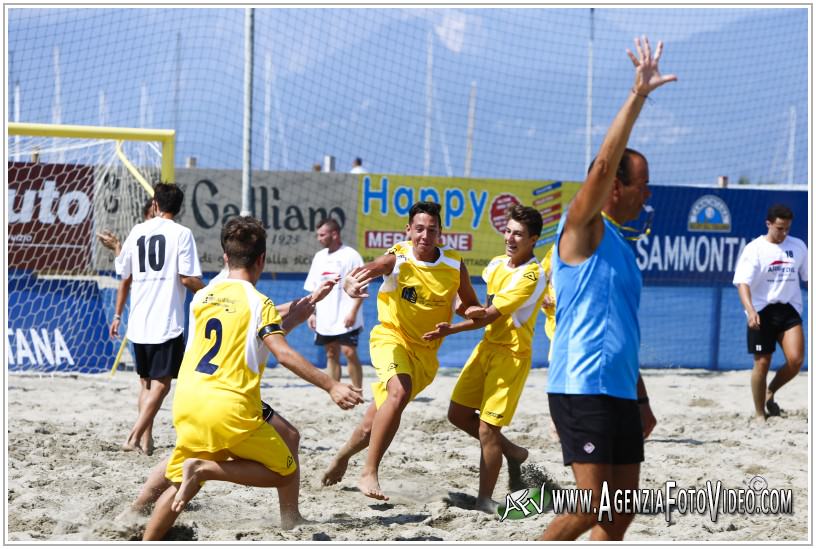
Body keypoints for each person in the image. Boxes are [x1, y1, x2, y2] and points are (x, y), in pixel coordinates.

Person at [141, 216, 364, 540]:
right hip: (230, 406)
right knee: (284, 469)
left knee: (180, 485)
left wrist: (303, 307)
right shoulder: (259, 303)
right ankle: (206, 471)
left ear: (225, 257)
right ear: (262, 259)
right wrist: (331, 385)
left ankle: (148, 538)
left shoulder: (204, 296)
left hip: (188, 402)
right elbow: (282, 352)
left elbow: (246, 327)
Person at [540, 36, 675, 541]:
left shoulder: (621, 245)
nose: (648, 192)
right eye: (642, 183)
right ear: (615, 187)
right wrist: (637, 97)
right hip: (581, 387)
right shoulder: (583, 230)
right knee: (589, 506)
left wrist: (640, 398)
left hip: (618, 391)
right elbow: (601, 163)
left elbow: (621, 332)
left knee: (617, 517)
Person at [121, 276, 338, 521]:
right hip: (228, 389)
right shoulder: (237, 290)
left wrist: (303, 305)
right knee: (196, 456)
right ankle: (290, 516)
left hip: (200, 389)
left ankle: (291, 515)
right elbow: (260, 328)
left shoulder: (216, 291)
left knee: (288, 435)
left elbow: (252, 332)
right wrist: (330, 384)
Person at [321, 201, 485, 501]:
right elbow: (371, 268)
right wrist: (350, 282)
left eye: (431, 230)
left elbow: (466, 304)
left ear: (440, 233)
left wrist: (478, 311)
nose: (424, 235)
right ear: (408, 230)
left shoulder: (453, 264)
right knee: (398, 393)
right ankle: (369, 471)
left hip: (425, 354)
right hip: (391, 338)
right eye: (419, 229)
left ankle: (343, 456)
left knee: (375, 422)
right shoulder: (398, 257)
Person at [422, 205, 546, 513]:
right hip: (487, 348)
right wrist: (456, 297)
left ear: (533, 240)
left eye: (518, 233)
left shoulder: (532, 275)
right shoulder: (495, 265)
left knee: (488, 430)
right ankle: (513, 451)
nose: (510, 237)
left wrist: (451, 326)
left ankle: (485, 500)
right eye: (508, 230)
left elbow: (489, 314)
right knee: (458, 414)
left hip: (512, 357)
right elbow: (481, 312)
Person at [112, 184, 204, 456]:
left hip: (139, 320)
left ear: (155, 204)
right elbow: (187, 278)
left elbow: (122, 270)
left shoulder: (138, 230)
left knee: (146, 384)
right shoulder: (182, 234)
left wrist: (117, 247)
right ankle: (133, 436)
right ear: (179, 207)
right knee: (162, 385)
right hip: (166, 321)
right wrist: (212, 290)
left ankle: (146, 441)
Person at [733, 204, 807, 421]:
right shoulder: (754, 249)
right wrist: (750, 310)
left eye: (787, 229)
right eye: (779, 228)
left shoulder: (799, 247)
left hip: (788, 310)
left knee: (796, 360)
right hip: (761, 311)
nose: (784, 233)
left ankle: (770, 391)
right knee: (762, 362)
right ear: (768, 224)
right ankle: (759, 414)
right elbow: (742, 283)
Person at [304, 218, 365, 389]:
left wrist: (353, 312)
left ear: (335, 234)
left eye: (322, 235)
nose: (319, 238)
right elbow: (313, 289)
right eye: (318, 235)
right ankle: (335, 390)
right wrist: (312, 313)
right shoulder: (319, 257)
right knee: (331, 353)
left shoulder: (351, 255)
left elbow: (362, 287)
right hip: (325, 316)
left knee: (349, 352)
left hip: (346, 315)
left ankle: (358, 391)